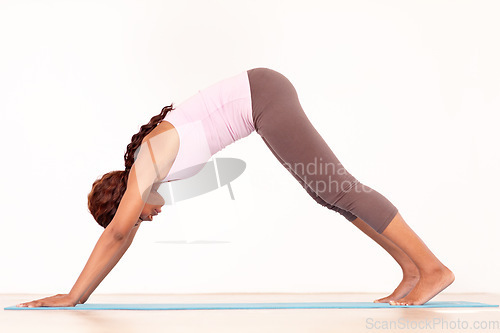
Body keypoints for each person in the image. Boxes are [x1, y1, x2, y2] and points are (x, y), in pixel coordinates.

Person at [17, 67, 454, 308]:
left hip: (262, 95)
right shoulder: (150, 170)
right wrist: (79, 296)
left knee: (336, 186)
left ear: (124, 202)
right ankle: (412, 271)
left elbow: (118, 233)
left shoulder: (144, 165)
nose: (146, 218)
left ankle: (432, 269)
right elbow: (123, 233)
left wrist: (73, 296)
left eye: (139, 217)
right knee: (326, 193)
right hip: (262, 97)